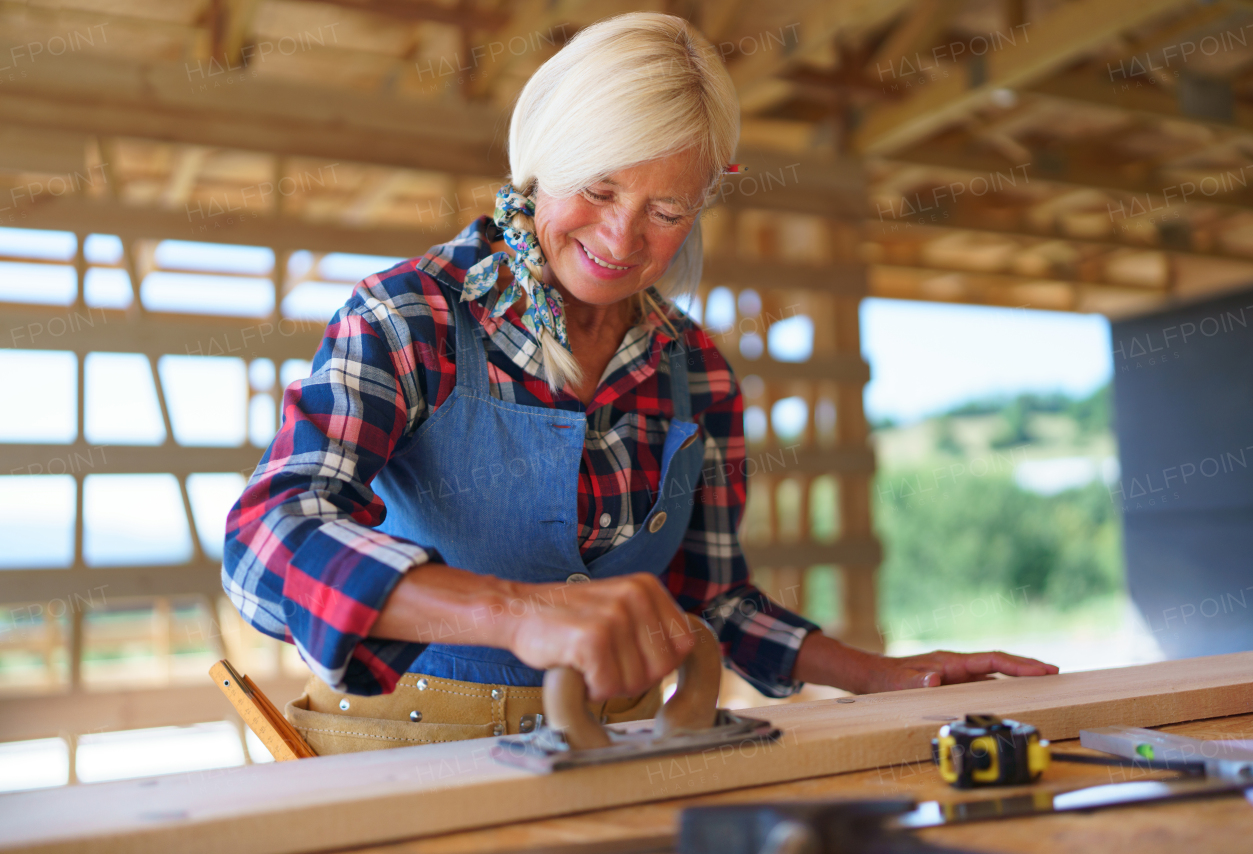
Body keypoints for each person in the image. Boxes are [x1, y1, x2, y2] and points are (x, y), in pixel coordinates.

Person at [222, 12, 1057, 755]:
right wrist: (518, 612)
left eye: (667, 212)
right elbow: (264, 542)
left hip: (615, 754)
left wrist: (881, 676)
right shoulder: (409, 320)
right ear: (542, 163)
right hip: (397, 756)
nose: (622, 237)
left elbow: (712, 600)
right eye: (599, 188)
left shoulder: (698, 373)